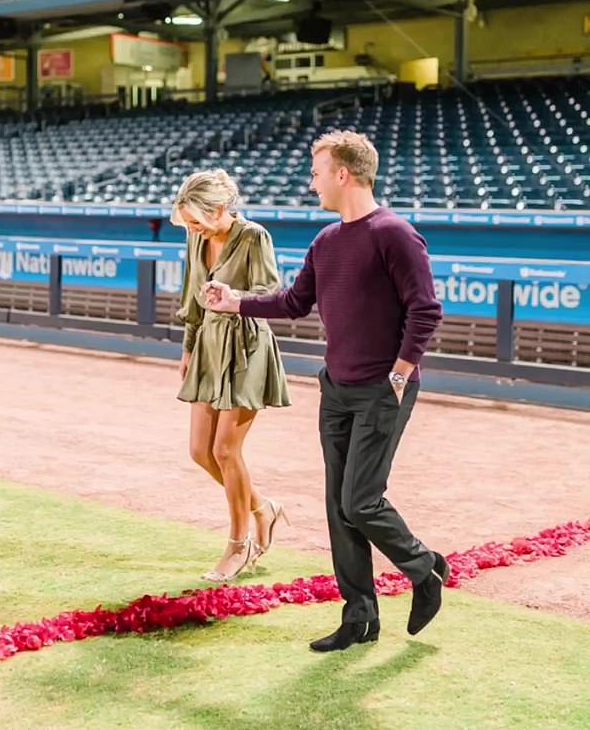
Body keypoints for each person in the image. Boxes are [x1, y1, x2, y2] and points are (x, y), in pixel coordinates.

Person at [204, 131, 448, 652]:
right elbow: (294, 302)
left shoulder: (395, 234)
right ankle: (359, 616)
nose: (311, 182)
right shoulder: (327, 241)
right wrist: (234, 303)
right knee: (339, 507)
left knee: (361, 501)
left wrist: (400, 375)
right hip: (336, 389)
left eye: (317, 172)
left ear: (343, 174)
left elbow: (425, 310)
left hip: (384, 389)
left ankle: (424, 569)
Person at [173, 169, 291, 584]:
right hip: (207, 346)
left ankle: (239, 546)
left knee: (226, 450)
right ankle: (264, 508)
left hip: (246, 348)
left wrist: (232, 298)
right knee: (199, 451)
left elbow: (272, 295)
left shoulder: (255, 236)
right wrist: (189, 348)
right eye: (188, 222)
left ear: (220, 209)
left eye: (197, 221)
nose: (192, 229)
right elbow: (191, 293)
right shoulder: (195, 238)